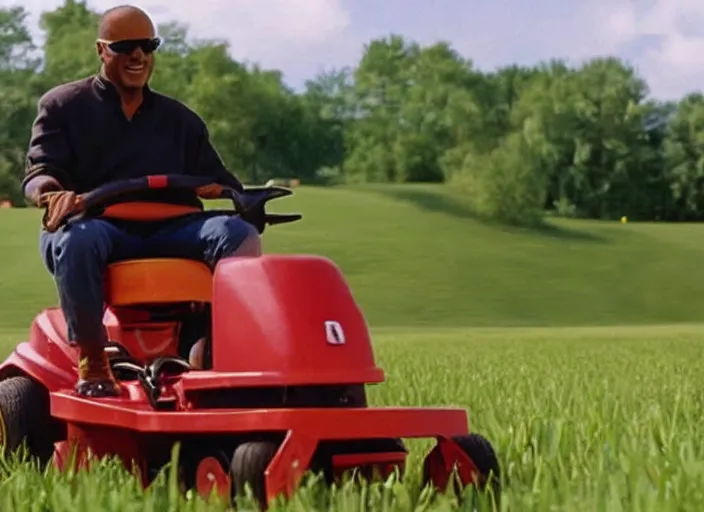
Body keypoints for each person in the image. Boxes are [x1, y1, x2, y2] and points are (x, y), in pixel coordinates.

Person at [22, 5, 261, 399]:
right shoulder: (63, 107)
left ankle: (216, 351)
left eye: (148, 45)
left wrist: (246, 200)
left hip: (172, 229)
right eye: (126, 46)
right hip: (99, 226)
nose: (139, 56)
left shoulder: (180, 120)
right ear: (102, 50)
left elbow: (223, 182)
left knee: (236, 233)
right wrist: (51, 195)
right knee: (78, 239)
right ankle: (94, 360)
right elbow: (39, 173)